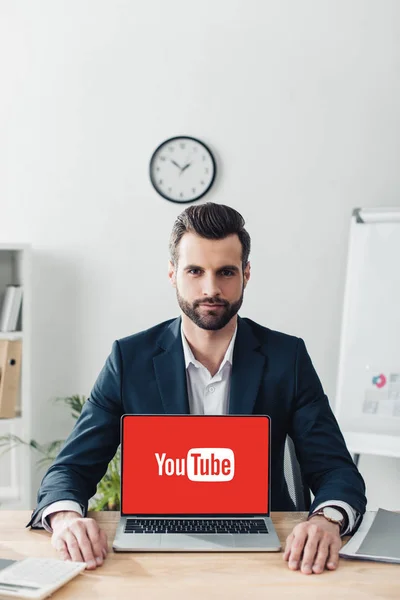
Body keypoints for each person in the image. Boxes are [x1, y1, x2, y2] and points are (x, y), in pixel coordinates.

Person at [27, 203, 366, 575]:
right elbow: (70, 469)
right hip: (152, 551)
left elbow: (336, 469)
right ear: (173, 274)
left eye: (226, 272)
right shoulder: (129, 359)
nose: (211, 289)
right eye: (195, 271)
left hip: (269, 552)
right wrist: (65, 519)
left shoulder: (287, 358)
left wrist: (326, 520)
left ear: (246, 274)